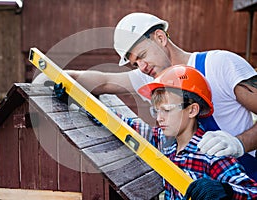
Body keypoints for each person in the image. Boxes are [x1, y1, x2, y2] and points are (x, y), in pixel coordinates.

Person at [33, 12, 257, 179]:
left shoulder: (219, 65)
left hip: (245, 177)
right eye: (134, 62)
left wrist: (239, 143)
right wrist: (56, 78)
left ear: (160, 38)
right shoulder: (152, 79)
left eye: (142, 55)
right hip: (194, 184)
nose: (141, 67)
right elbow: (104, 80)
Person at [53, 65, 257, 199]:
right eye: (156, 111)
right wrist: (76, 101)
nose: (159, 118)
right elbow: (118, 122)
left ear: (192, 110)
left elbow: (251, 192)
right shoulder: (162, 140)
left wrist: (227, 192)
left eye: (166, 110)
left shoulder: (212, 152)